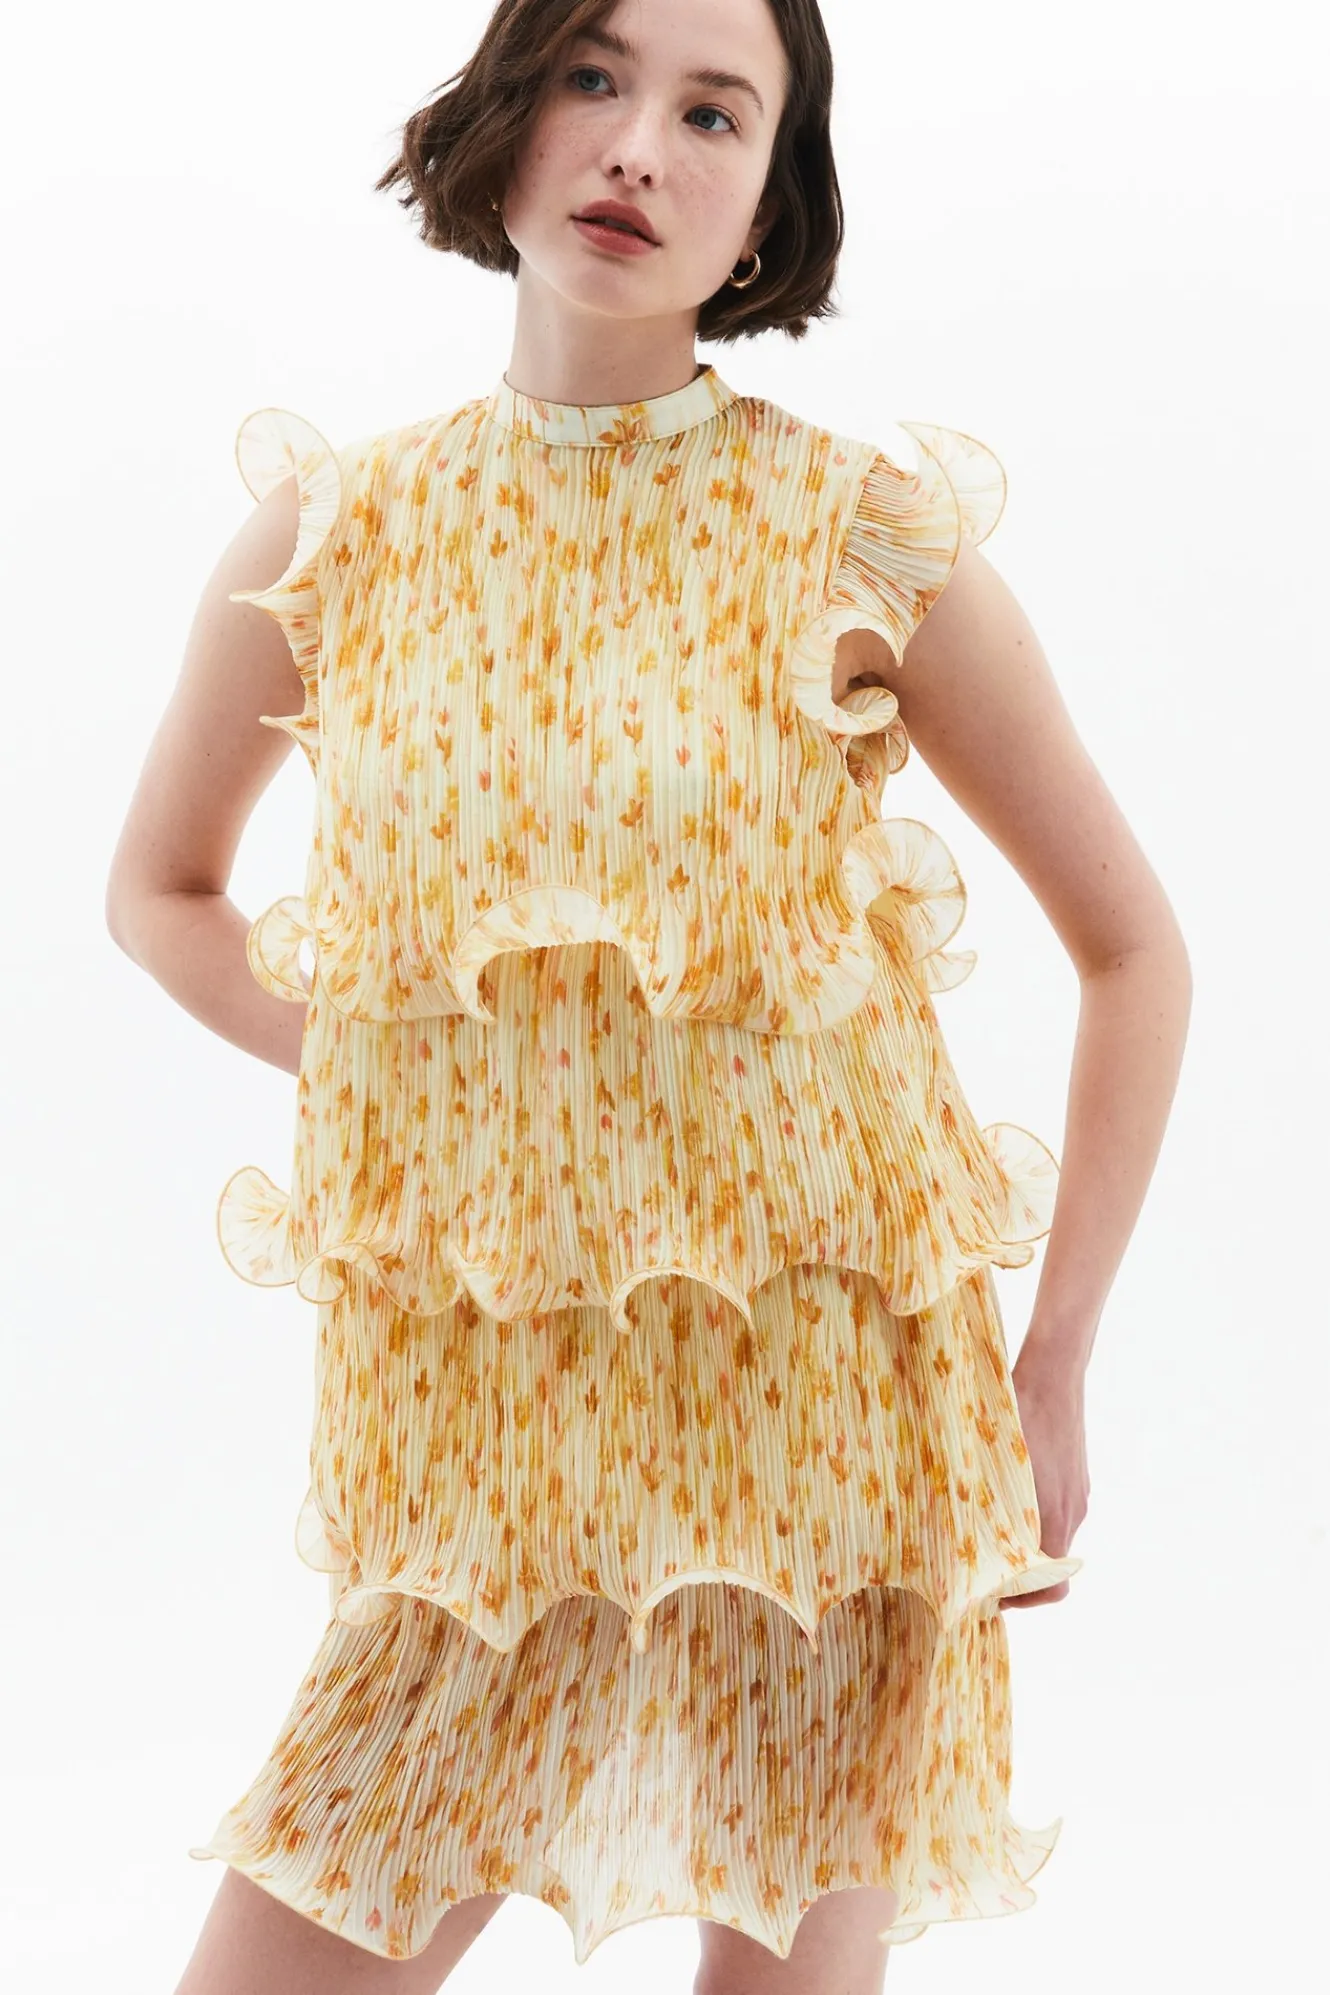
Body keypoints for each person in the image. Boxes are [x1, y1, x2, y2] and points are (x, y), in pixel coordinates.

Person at [104, 1, 1192, 1991]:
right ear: (505, 115)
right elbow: (158, 892)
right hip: (486, 1435)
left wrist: (1048, 1365)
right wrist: (383, 1051)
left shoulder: (860, 534)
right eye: (595, 79)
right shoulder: (342, 531)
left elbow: (1133, 950)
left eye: (713, 114)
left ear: (766, 204)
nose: (636, 149)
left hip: (829, 1406)